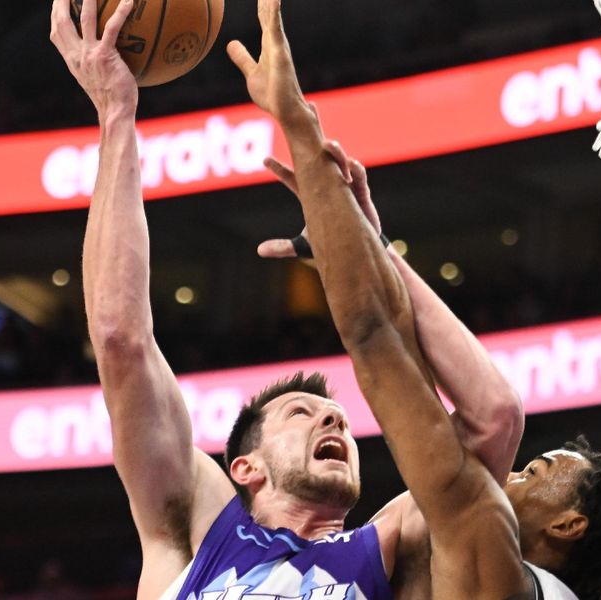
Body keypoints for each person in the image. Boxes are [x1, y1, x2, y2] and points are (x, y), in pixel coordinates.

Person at [49, 0, 523, 598]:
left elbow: (494, 418)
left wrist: (372, 249)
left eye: (335, 420)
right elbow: (120, 338)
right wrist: (116, 114)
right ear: (245, 469)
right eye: (304, 414)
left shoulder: (395, 546)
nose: (334, 419)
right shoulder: (193, 537)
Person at [228, 1, 601, 597]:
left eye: (532, 472)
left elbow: (388, 347)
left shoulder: (490, 559)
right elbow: (460, 393)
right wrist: (363, 243)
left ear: (568, 523)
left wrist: (299, 127)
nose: (510, 473)